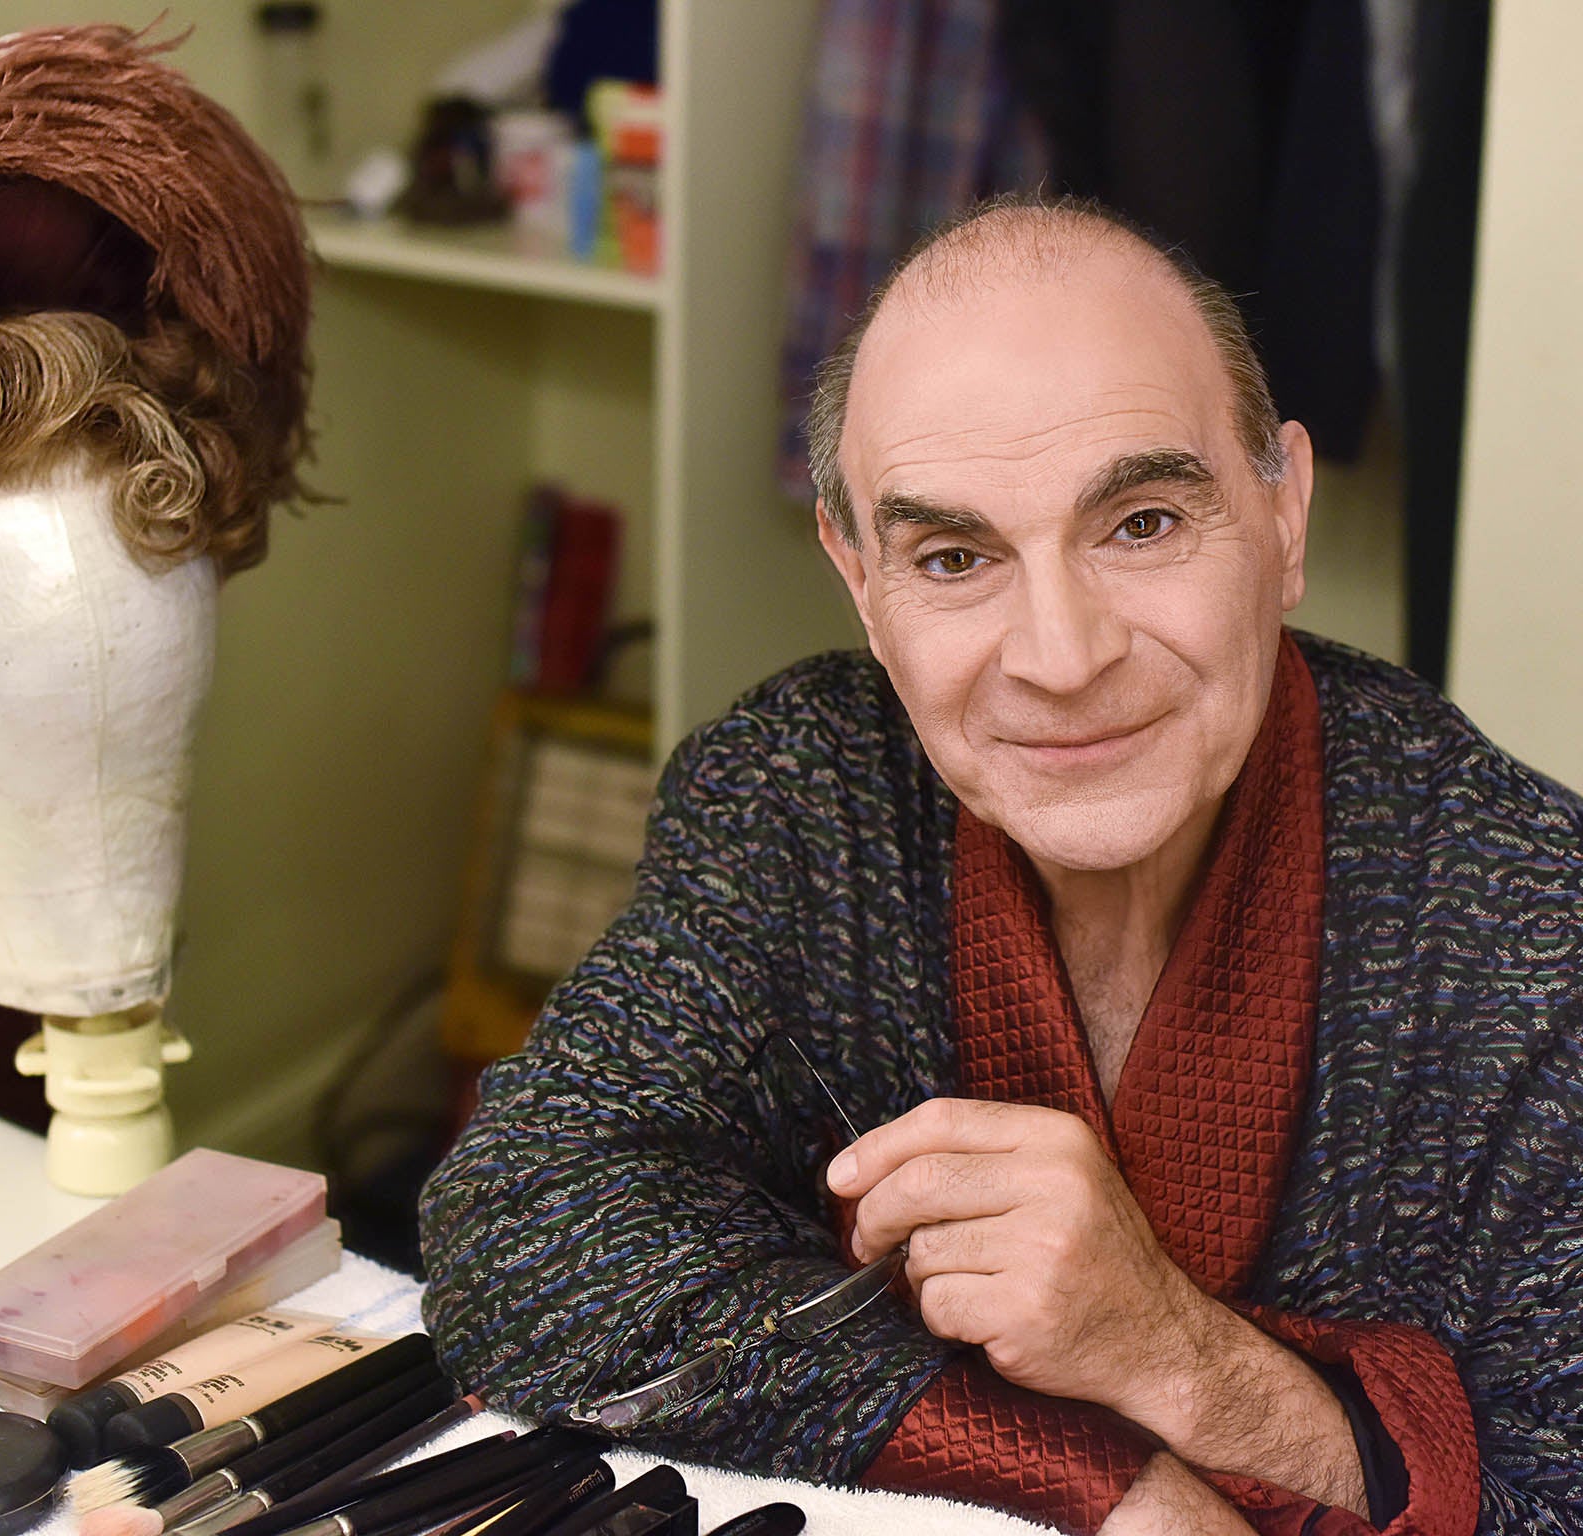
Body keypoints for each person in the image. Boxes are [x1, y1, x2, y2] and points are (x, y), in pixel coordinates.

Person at [418, 195, 1582, 1536]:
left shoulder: (1529, 928)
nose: (1061, 656)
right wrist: (1102, 1480)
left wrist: (1169, 1354)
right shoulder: (800, 793)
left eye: (1142, 522)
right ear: (860, 581)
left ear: (1286, 515)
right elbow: (520, 1225)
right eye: (955, 556)